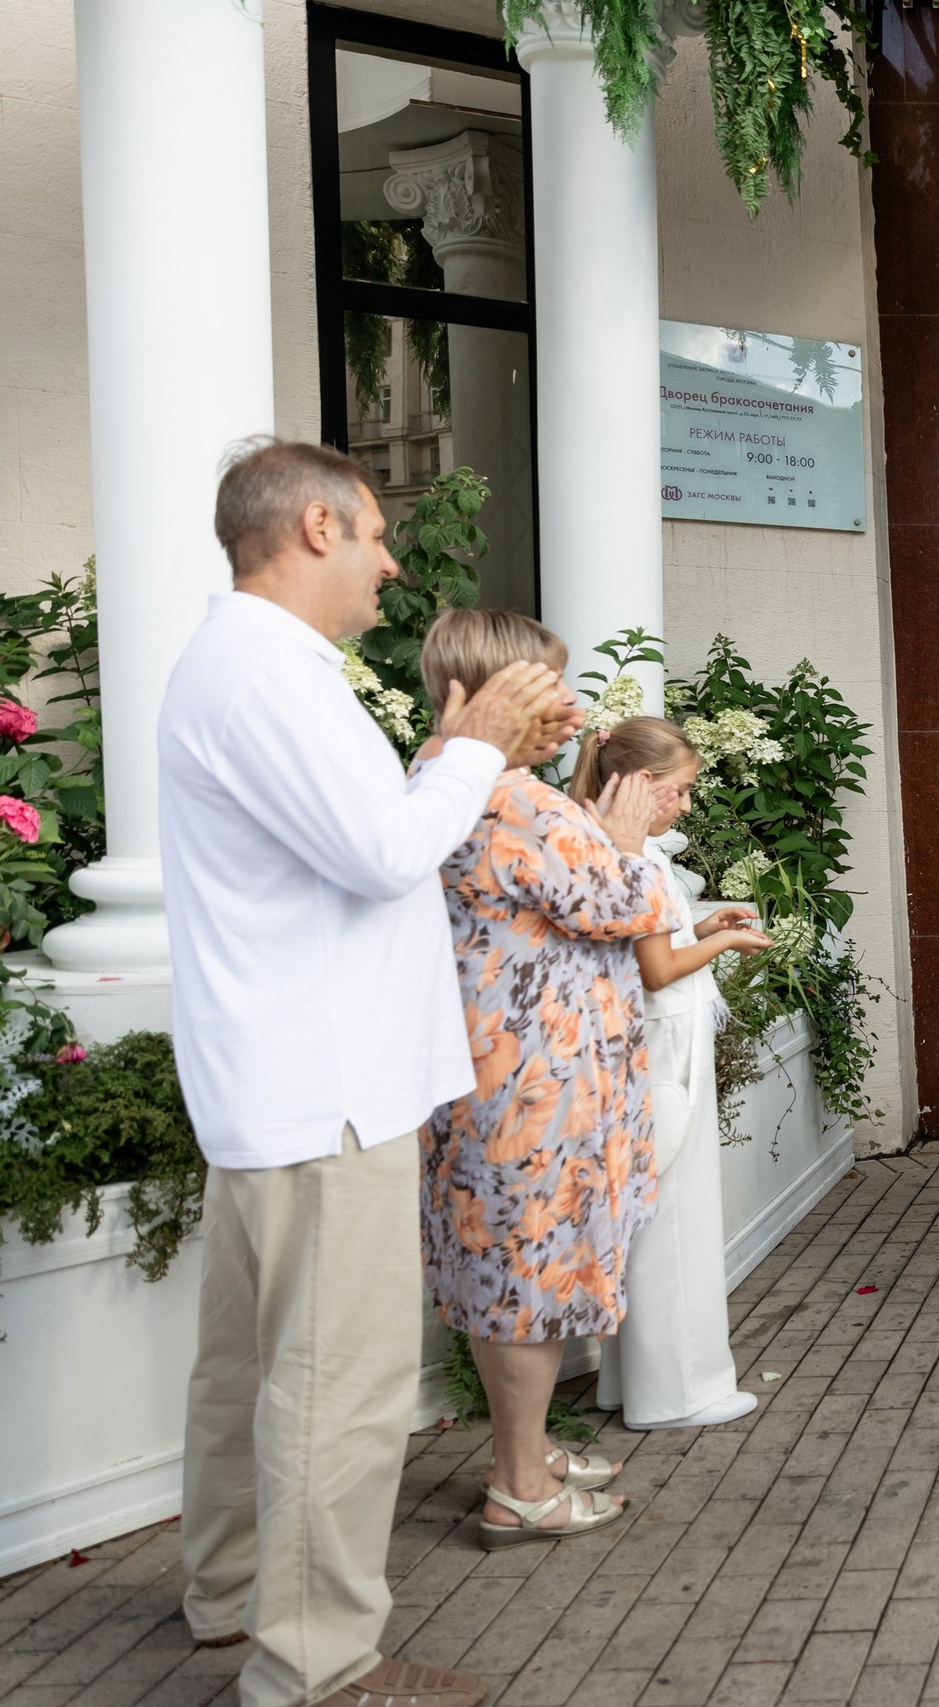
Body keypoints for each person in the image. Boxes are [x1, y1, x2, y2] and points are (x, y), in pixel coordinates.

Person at [165, 439, 576, 1707]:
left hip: (280, 1075)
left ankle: (231, 1597)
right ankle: (319, 1667)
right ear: (314, 530)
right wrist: (480, 747)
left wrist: (460, 754)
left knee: (247, 1367)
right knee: (334, 1390)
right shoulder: (271, 678)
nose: (394, 561)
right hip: (324, 1085)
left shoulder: (253, 667)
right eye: (378, 534)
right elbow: (383, 851)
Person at [415, 609, 685, 1549]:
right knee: (524, 1282)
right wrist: (627, 838)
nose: (570, 705)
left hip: (495, 1073)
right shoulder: (508, 798)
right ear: (498, 689)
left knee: (503, 1276)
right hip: (533, 1085)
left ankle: (517, 1454)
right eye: (550, 683)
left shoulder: (450, 779)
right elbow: (625, 901)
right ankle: (521, 1484)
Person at [572, 715, 774, 1428]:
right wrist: (725, 946)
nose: (686, 806)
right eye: (680, 791)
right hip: (663, 1046)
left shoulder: (626, 851)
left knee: (654, 1218)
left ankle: (633, 1383)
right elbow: (656, 970)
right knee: (673, 1221)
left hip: (656, 1043)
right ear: (641, 784)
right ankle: (680, 1392)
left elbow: (653, 940)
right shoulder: (632, 856)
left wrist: (708, 925)